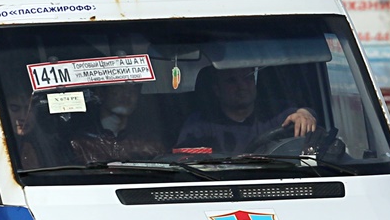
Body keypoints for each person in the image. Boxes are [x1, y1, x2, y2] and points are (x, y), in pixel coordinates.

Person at [175, 66, 316, 155]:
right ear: (217, 90)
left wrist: (305, 114)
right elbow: (184, 162)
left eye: (247, 78)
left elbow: (299, 115)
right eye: (232, 81)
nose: (242, 86)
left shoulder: (276, 114)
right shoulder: (199, 124)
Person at [69, 82, 164, 162]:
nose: (127, 95)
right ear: (101, 92)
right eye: (119, 88)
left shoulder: (149, 143)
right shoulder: (79, 143)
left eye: (133, 90)